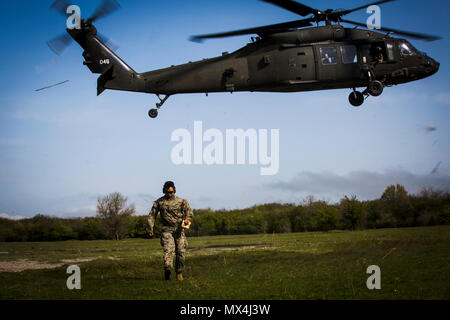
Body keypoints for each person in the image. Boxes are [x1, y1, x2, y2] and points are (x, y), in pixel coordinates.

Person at [147, 181, 193, 281]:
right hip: (166, 231)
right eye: (167, 192)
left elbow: (189, 212)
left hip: (179, 231)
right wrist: (150, 228)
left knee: (181, 252)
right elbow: (152, 216)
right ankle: (167, 271)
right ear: (164, 191)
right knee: (168, 251)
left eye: (171, 192)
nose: (169, 194)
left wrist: (188, 219)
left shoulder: (181, 201)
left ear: (174, 191)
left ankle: (179, 273)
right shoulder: (159, 202)